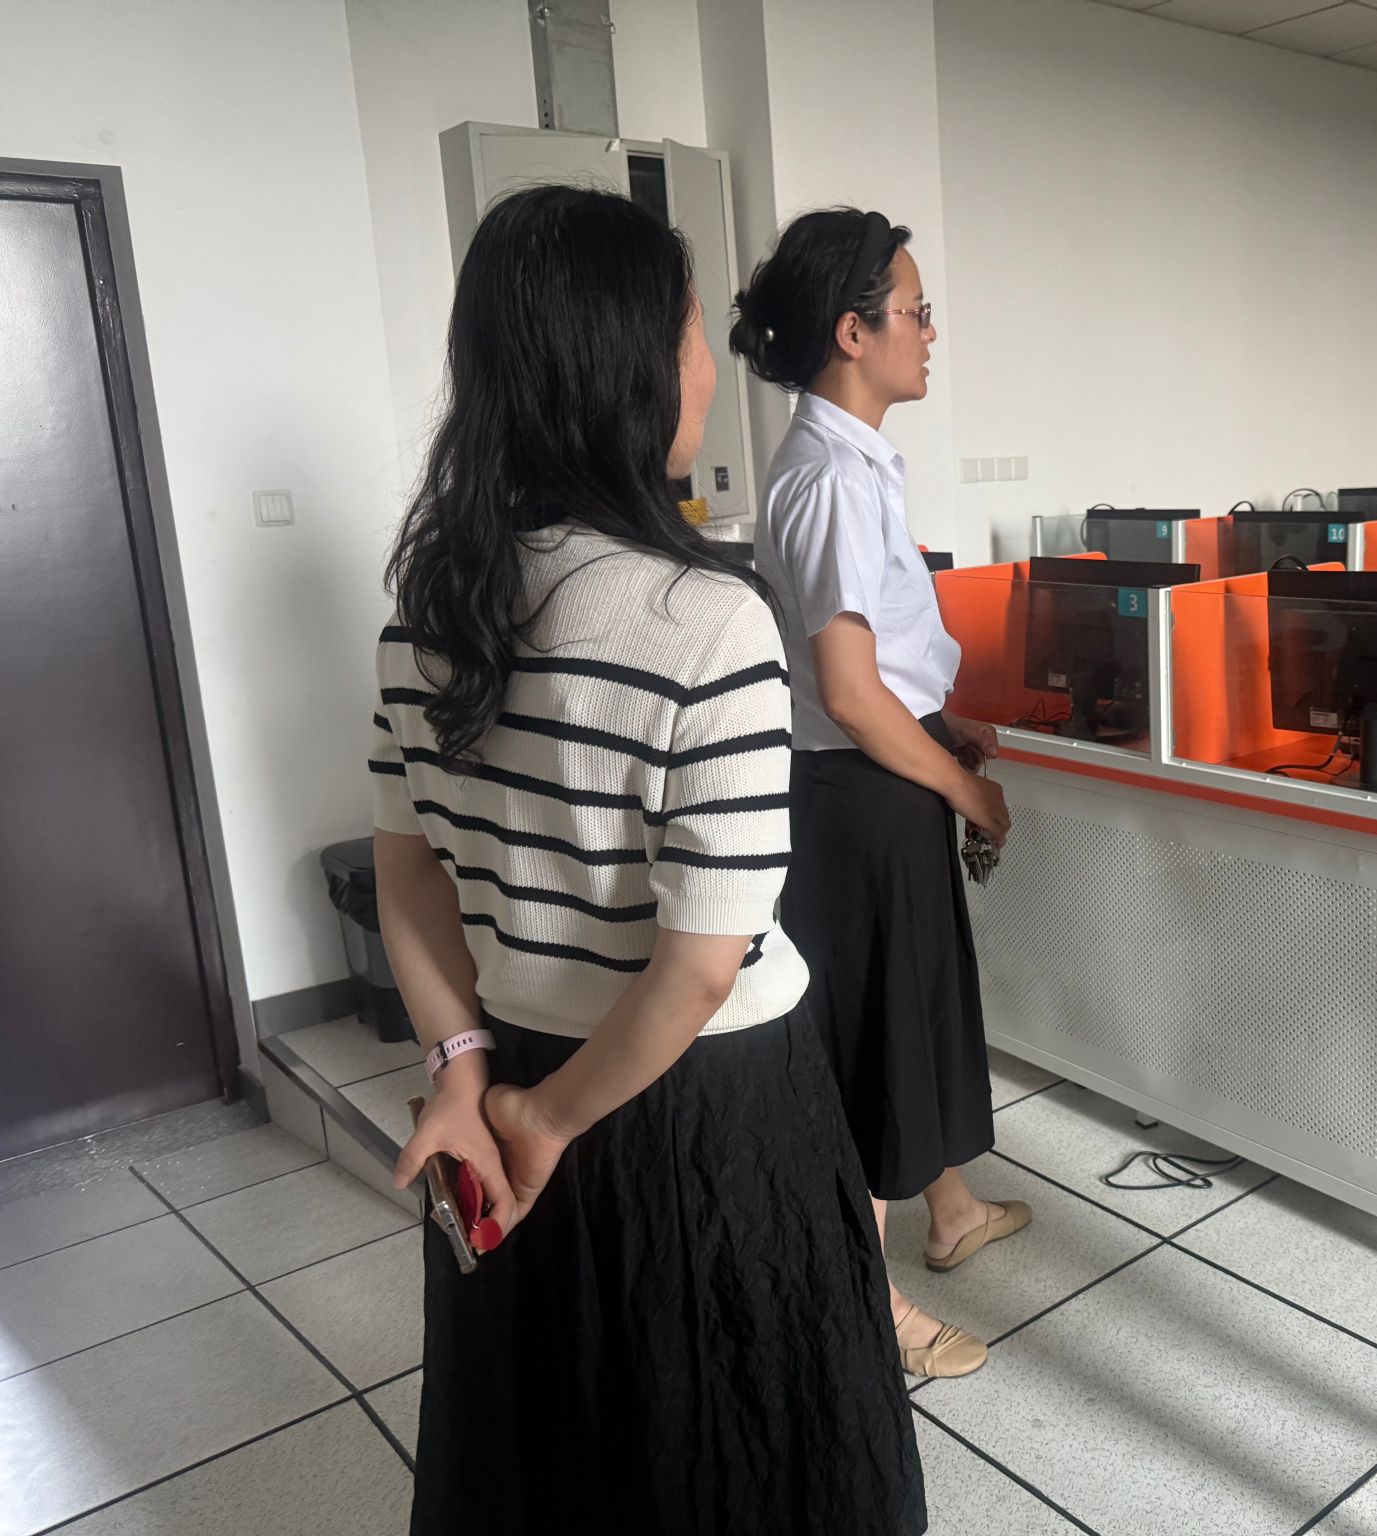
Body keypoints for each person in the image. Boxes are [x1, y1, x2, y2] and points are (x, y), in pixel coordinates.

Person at [372, 185, 924, 1536]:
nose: (706, 367)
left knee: (560, 1448)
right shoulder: (705, 621)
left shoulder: (426, 617)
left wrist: (467, 1075)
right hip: (707, 1111)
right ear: (628, 364)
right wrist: (548, 1124)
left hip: (514, 1069)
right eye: (687, 330)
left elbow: (410, 875)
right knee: (739, 1441)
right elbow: (699, 965)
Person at [729, 208, 1027, 1380]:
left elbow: (873, 670)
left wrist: (942, 721)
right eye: (915, 311)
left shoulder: (845, 463)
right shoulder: (830, 482)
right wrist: (966, 791)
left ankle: (949, 1213)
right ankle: (867, 1309)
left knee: (909, 1022)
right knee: (872, 1046)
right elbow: (851, 696)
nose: (929, 332)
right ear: (853, 332)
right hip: (861, 800)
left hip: (877, 778)